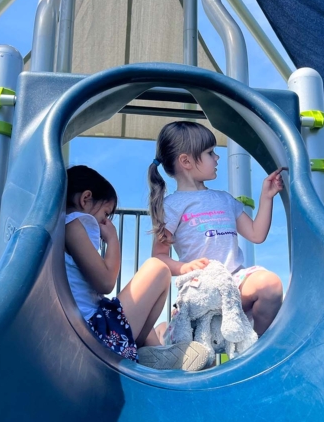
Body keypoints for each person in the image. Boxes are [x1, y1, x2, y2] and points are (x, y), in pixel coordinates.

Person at [64, 165, 209, 371]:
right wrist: (113, 239)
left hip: (90, 329)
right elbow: (106, 282)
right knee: (158, 267)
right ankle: (158, 359)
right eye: (105, 214)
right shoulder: (75, 223)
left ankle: (155, 352)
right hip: (94, 337)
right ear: (85, 199)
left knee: (130, 315)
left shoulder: (60, 226)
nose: (105, 223)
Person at [148, 121, 285, 337]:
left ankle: (252, 350)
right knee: (199, 359)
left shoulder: (225, 199)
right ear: (186, 161)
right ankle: (162, 333)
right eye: (210, 152)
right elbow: (159, 257)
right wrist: (184, 268)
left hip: (234, 281)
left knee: (270, 285)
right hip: (202, 286)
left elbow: (256, 234)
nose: (217, 157)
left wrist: (266, 197)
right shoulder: (172, 206)